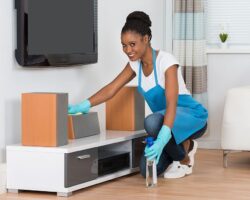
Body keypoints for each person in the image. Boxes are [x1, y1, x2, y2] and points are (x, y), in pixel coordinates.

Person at [68, 11, 208, 179]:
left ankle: (184, 160)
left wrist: (163, 137)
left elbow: (172, 102)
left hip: (191, 116)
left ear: (146, 39)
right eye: (124, 45)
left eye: (132, 44)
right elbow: (112, 88)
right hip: (165, 122)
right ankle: (187, 146)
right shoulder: (135, 65)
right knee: (145, 170)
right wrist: (83, 105)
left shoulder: (167, 61)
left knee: (151, 122)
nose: (128, 50)